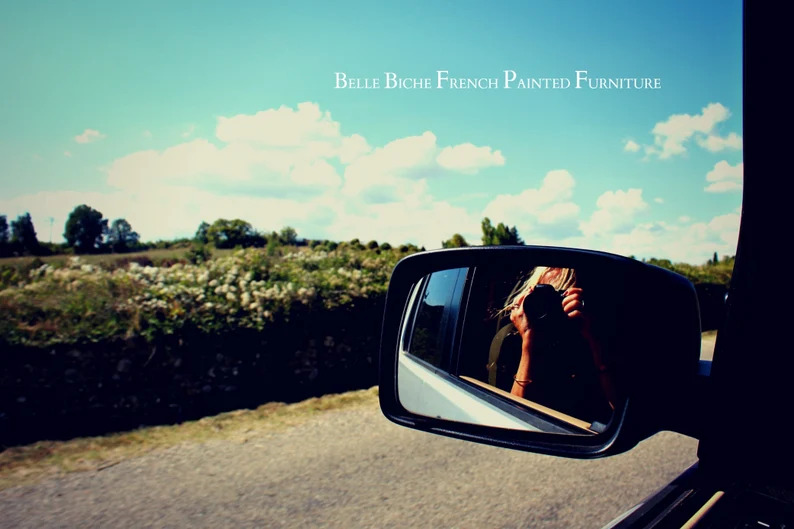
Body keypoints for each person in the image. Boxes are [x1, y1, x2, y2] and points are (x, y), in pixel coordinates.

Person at [503, 266, 616, 425]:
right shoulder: (512, 341)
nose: (548, 309)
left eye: (557, 298)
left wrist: (592, 338)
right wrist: (528, 340)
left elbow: (617, 410)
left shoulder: (591, 339)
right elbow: (514, 418)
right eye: (540, 299)